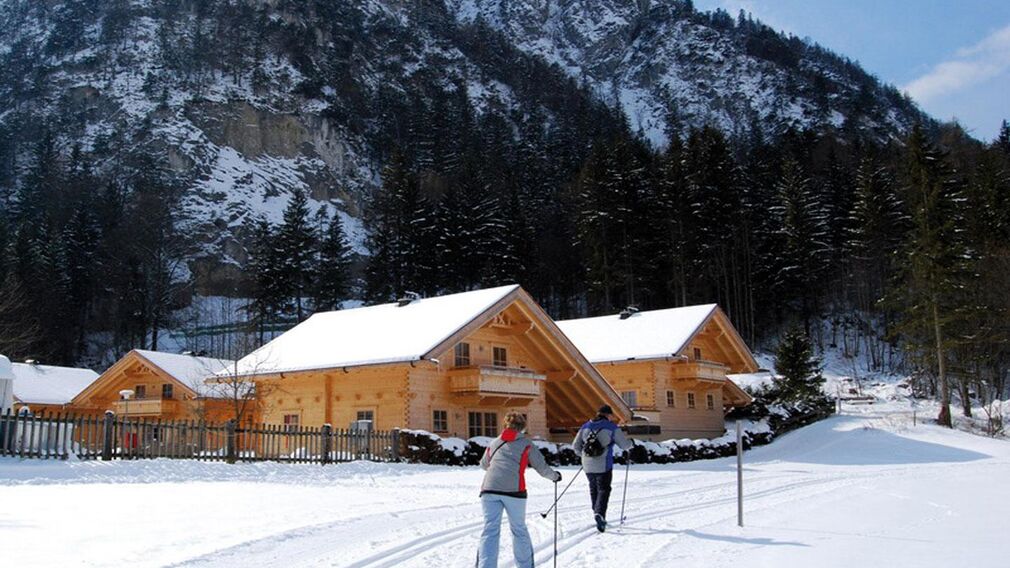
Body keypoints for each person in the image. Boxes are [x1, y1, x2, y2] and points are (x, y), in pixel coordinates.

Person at [477, 412, 562, 568]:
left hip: (489, 489)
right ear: (522, 427)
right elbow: (541, 468)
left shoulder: (495, 442)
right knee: (518, 529)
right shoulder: (526, 443)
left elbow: (483, 464)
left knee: (490, 530)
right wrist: (555, 476)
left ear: (505, 425)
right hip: (514, 492)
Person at [572, 405, 632, 532]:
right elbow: (624, 445)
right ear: (607, 415)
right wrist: (631, 443)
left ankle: (597, 513)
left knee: (594, 488)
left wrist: (585, 456)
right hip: (604, 464)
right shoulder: (611, 427)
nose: (612, 418)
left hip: (587, 464)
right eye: (611, 416)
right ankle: (599, 514)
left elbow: (575, 446)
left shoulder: (585, 426)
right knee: (604, 489)